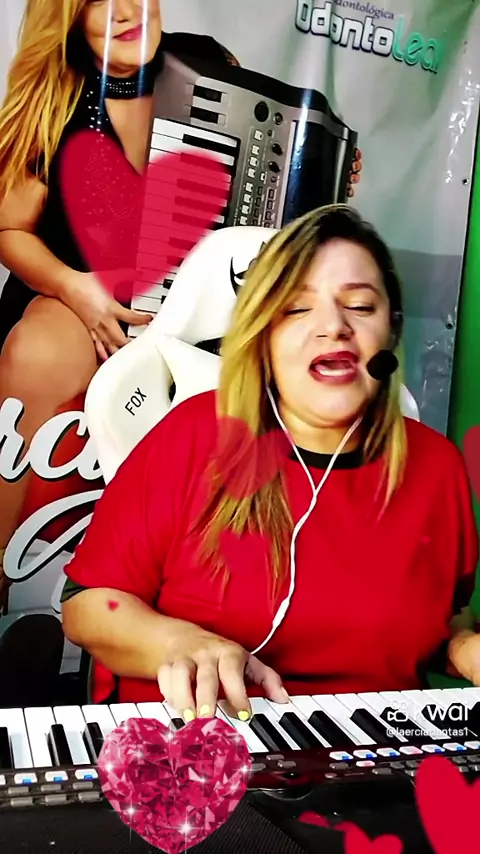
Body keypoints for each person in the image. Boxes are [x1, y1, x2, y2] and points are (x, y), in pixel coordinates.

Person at [0, 0, 362, 616]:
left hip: (193, 311)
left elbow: (265, 213)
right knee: (41, 350)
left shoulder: (204, 65)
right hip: (76, 291)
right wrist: (75, 289)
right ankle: (6, 575)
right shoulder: (55, 97)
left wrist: (326, 177)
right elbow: (10, 230)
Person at [61, 204, 480, 721]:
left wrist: (464, 647)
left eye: (360, 306)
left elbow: (442, 618)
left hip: (373, 753)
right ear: (265, 337)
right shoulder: (193, 436)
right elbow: (89, 605)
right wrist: (176, 641)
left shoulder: (436, 467)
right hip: (201, 741)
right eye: (298, 309)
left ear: (390, 333)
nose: (334, 327)